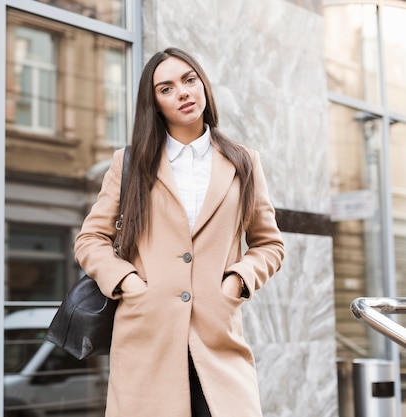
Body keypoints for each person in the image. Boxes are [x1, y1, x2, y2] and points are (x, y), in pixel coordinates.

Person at [74, 47, 285, 417]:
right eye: (166, 88)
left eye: (189, 80)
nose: (183, 92)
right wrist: (127, 282)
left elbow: (269, 244)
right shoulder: (130, 163)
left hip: (218, 339)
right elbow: (90, 240)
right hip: (147, 337)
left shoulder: (243, 162)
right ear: (154, 103)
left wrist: (237, 280)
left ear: (203, 85)